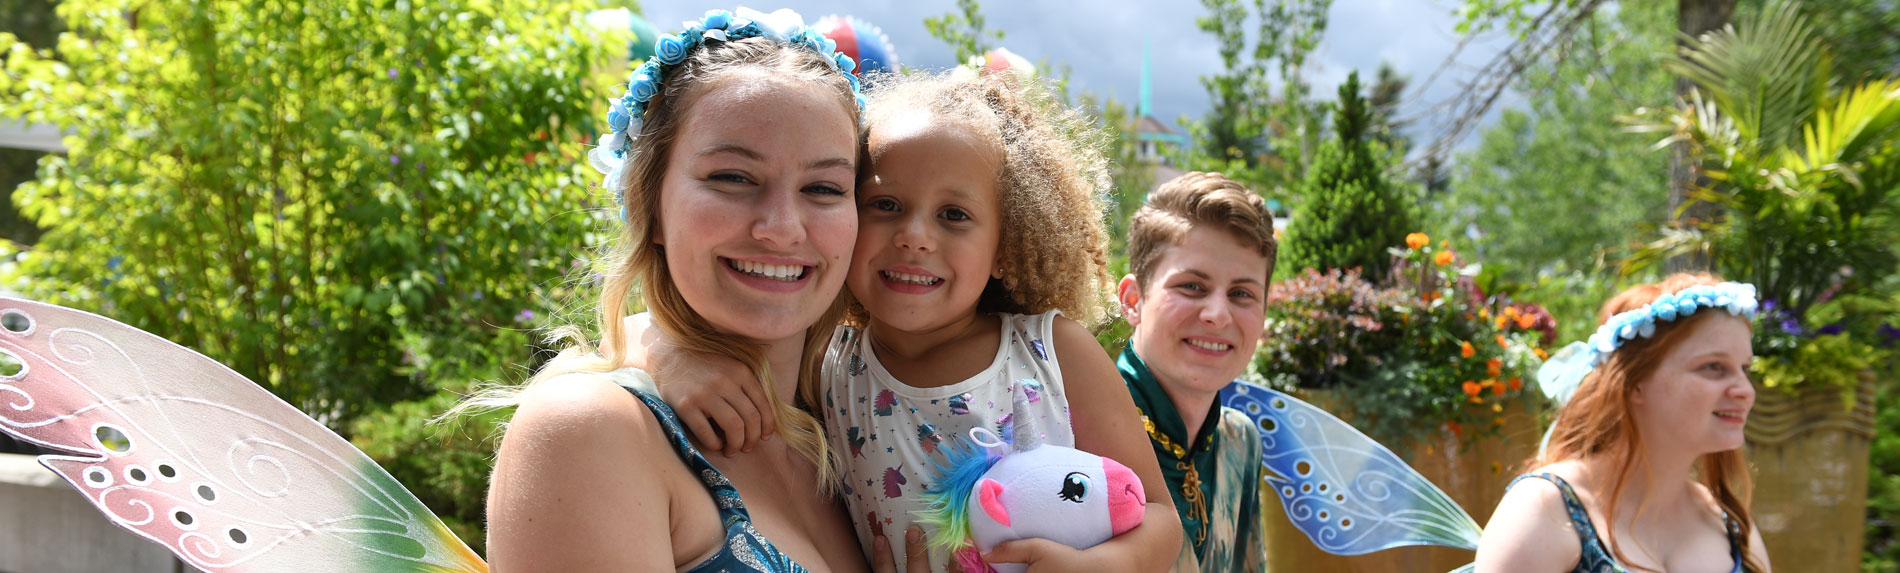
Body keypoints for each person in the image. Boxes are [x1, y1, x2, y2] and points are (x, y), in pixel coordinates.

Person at [637, 69, 1184, 572]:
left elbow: (1159, 516)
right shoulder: (826, 360)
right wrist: (673, 353)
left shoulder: (1052, 351)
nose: (915, 236)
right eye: (886, 205)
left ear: (1004, 246)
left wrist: (1102, 567)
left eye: (954, 216)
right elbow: (645, 330)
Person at [477, 9, 877, 571]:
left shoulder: (867, 420)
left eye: (824, 187)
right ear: (651, 206)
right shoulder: (593, 431)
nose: (783, 227)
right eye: (733, 178)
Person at [1476, 274, 1772, 572]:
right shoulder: (1545, 510)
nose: (1745, 390)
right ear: (1634, 382)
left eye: (1744, 368)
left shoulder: (1727, 522)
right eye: (1713, 367)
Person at [1113, 172, 1274, 572]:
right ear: (1133, 300)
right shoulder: (1076, 431)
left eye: (1242, 294)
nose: (1218, 315)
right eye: (1192, 287)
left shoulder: (1239, 442)